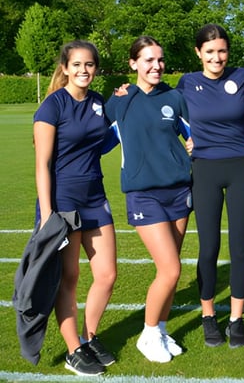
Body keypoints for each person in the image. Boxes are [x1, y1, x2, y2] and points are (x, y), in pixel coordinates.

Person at [31, 40, 117, 376]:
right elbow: (42, 164)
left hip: (95, 197)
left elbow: (105, 140)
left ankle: (89, 336)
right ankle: (73, 350)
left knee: (107, 275)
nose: (84, 71)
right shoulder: (52, 106)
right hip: (63, 202)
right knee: (69, 277)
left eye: (90, 65)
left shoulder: (98, 103)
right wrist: (47, 213)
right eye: (77, 65)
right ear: (65, 68)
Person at [105, 36, 192, 363]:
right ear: (133, 64)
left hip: (180, 192)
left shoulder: (175, 97)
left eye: (160, 59)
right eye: (148, 60)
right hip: (144, 194)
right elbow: (96, 141)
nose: (156, 66)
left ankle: (161, 331)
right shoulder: (120, 101)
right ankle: (148, 332)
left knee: (172, 270)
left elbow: (195, 134)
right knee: (170, 269)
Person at [176, 24, 244, 348]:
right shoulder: (187, 83)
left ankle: (237, 320)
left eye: (222, 51)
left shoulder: (242, 76)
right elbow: (166, 113)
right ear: (199, 52)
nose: (217, 57)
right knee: (208, 248)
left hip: (241, 166)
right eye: (210, 52)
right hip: (205, 170)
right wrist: (186, 140)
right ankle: (208, 316)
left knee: (240, 248)